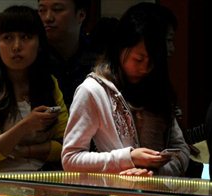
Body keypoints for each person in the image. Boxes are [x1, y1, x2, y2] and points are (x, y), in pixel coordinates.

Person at [62, 3, 189, 178]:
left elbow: (181, 151)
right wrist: (128, 158)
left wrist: (156, 172)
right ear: (120, 47)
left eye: (153, 61)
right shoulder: (93, 90)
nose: (145, 68)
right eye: (139, 59)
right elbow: (70, 159)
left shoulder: (156, 88)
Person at [0, 5, 67, 173]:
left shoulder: (49, 84)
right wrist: (25, 126)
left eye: (26, 37)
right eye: (7, 38)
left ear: (39, 43)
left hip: (46, 185)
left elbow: (67, 146)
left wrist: (21, 150)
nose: (16, 46)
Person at [37, 0, 97, 109]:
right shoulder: (32, 58)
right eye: (42, 10)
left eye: (57, 9)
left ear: (81, 15)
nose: (47, 18)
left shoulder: (99, 59)